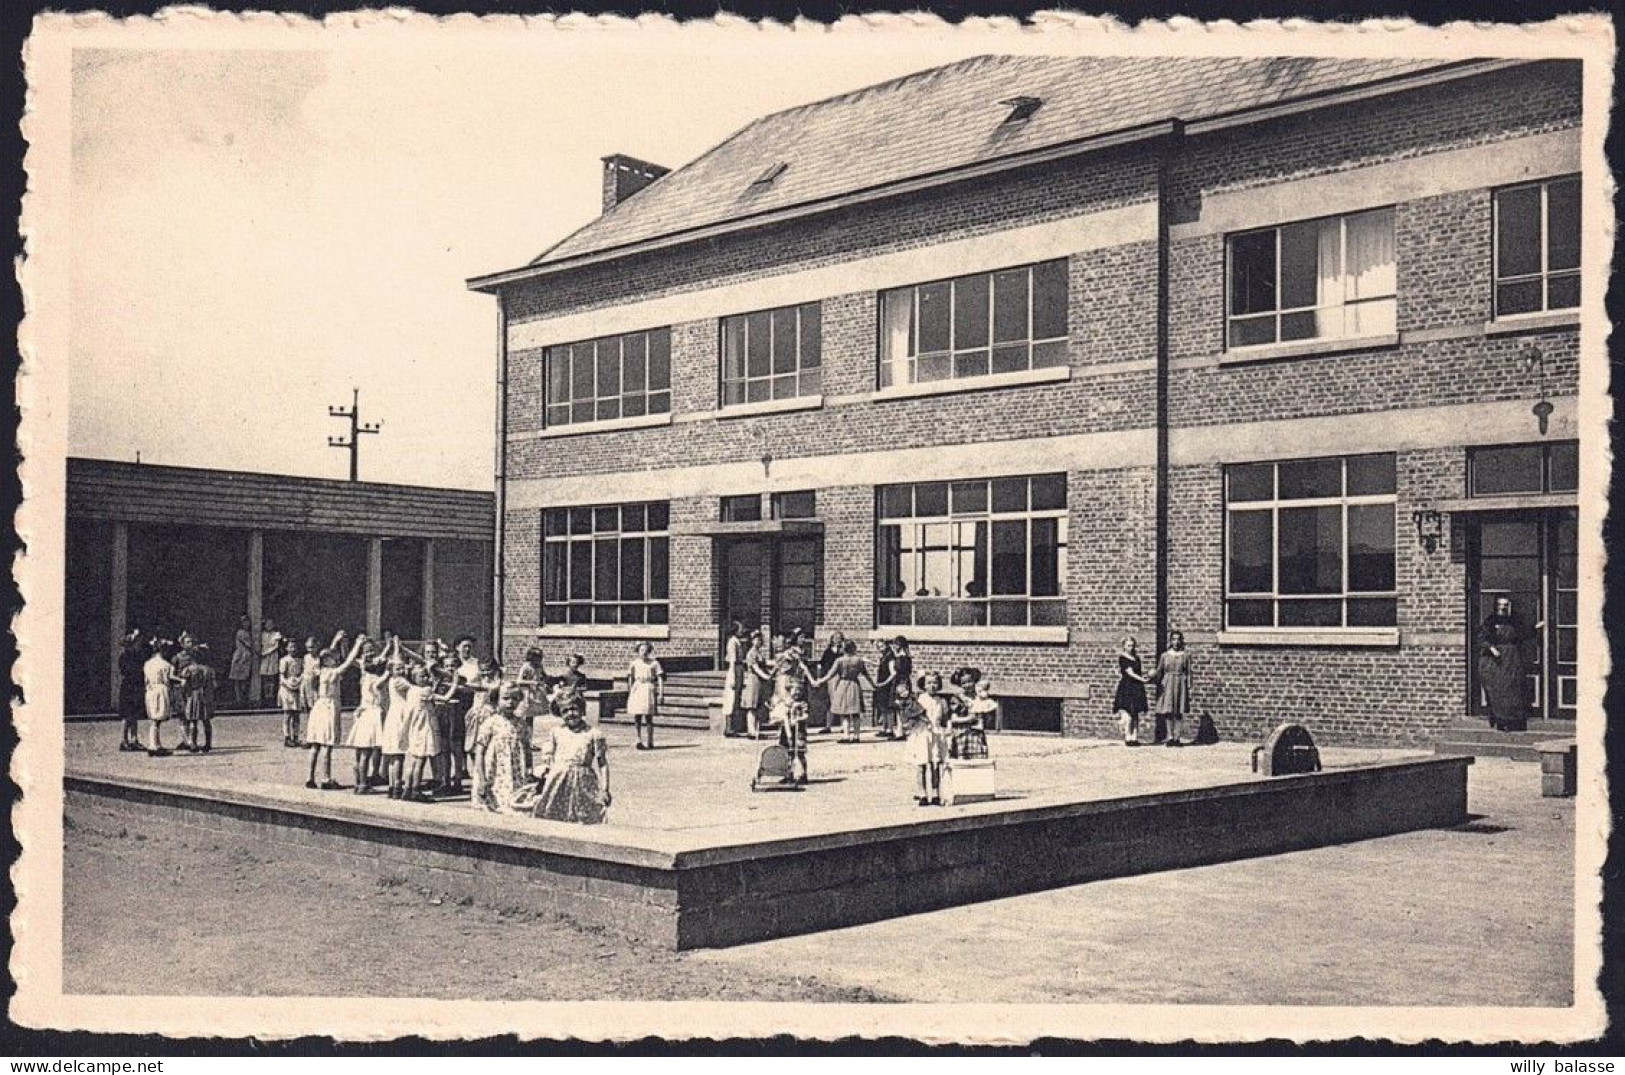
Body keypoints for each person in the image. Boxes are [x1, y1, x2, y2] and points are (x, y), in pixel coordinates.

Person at [532, 689, 611, 824]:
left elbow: (602, 763)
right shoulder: (556, 732)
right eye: (565, 711)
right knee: (555, 815)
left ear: (582, 709)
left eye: (574, 709)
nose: (570, 714)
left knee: (585, 817)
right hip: (559, 779)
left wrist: (605, 789)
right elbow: (549, 756)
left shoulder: (594, 734)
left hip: (584, 781)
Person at [304, 632, 366, 790]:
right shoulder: (332, 672)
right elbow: (348, 662)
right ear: (327, 661)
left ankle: (310, 777)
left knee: (315, 745)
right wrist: (357, 644)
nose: (336, 659)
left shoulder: (320, 671)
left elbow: (328, 655)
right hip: (329, 707)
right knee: (327, 745)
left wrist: (336, 641)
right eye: (333, 658)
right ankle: (326, 778)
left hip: (318, 707)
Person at [1480, 596, 1539, 732]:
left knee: (1513, 689)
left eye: (1505, 605)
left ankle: (1513, 721)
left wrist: (1536, 627)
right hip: (1496, 661)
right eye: (1500, 605)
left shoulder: (1514, 622)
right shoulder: (1490, 622)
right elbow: (1482, 639)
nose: (1503, 607)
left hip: (1512, 659)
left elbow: (1523, 634)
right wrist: (1492, 648)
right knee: (1499, 690)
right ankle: (1501, 721)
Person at [473, 684, 534, 814]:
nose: (510, 702)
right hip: (494, 776)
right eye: (505, 698)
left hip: (515, 775)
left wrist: (529, 771)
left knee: (514, 808)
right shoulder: (490, 723)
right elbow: (479, 752)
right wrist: (482, 779)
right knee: (493, 810)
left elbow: (527, 749)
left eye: (515, 699)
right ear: (496, 700)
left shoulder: (522, 724)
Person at [810, 640, 877, 744]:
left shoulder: (839, 660)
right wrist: (873, 685)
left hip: (843, 685)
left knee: (845, 713)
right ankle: (856, 736)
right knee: (855, 713)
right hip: (855, 685)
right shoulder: (859, 660)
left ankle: (846, 736)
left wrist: (819, 681)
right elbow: (866, 674)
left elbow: (830, 674)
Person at [344, 643, 389, 793]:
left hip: (364, 714)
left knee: (359, 753)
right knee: (366, 753)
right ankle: (363, 784)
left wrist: (389, 646)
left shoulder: (364, 679)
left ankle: (359, 783)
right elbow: (387, 673)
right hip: (372, 715)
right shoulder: (376, 681)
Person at [907, 672, 950, 806]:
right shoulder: (919, 699)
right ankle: (922, 794)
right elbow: (912, 714)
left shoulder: (941, 701)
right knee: (921, 765)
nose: (932, 686)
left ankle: (936, 793)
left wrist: (948, 729)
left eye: (935, 683)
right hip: (922, 734)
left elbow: (945, 718)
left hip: (936, 734)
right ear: (924, 685)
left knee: (935, 764)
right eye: (929, 683)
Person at [1153, 630, 1194, 747]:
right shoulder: (1164, 655)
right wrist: (1150, 677)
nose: (1176, 642)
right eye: (1173, 639)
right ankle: (1170, 737)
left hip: (1181, 682)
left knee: (1179, 711)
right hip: (1168, 683)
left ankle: (1177, 737)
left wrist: (1190, 687)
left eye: (1178, 639)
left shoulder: (1186, 655)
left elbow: (1189, 672)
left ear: (1181, 641)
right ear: (1170, 641)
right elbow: (1159, 670)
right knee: (1169, 711)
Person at [142, 639, 179, 756]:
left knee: (154, 718)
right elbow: (170, 678)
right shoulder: (166, 665)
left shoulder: (147, 663)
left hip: (150, 690)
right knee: (156, 719)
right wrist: (182, 680)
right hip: (160, 690)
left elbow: (146, 679)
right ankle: (153, 745)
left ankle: (156, 744)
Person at [626, 642, 666, 750]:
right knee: (637, 715)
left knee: (649, 716)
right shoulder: (634, 663)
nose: (644, 653)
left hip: (648, 688)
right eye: (641, 650)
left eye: (646, 650)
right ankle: (638, 739)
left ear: (649, 651)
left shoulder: (654, 663)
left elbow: (660, 678)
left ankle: (650, 740)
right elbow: (630, 678)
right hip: (638, 687)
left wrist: (661, 693)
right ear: (638, 652)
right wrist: (630, 691)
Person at [1113, 637, 1151, 746]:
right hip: (1127, 686)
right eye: (1129, 645)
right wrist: (1142, 679)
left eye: (1133, 645)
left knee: (1135, 714)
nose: (1131, 648)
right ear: (1124, 646)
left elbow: (1138, 671)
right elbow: (1130, 673)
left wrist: (1144, 677)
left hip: (1136, 687)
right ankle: (1128, 737)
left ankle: (1135, 737)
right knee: (1128, 713)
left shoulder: (1137, 658)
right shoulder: (1123, 658)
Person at [116, 628, 147, 752]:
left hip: (136, 686)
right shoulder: (124, 657)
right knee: (127, 715)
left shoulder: (136, 655)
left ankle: (134, 739)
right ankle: (124, 740)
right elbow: (128, 671)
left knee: (134, 714)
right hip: (129, 687)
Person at [809, 631, 844, 734]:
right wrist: (820, 677)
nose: (838, 640)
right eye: (836, 638)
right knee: (830, 701)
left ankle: (843, 725)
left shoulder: (843, 652)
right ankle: (828, 725)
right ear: (832, 640)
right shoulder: (828, 652)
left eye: (840, 638)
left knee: (841, 701)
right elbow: (822, 664)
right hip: (830, 678)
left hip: (841, 677)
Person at [740, 631, 768, 740]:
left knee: (758, 706)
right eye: (757, 639)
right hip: (753, 680)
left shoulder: (759, 653)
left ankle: (757, 730)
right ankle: (751, 730)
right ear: (752, 641)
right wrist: (766, 676)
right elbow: (756, 668)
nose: (759, 641)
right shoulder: (751, 653)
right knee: (751, 706)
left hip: (759, 682)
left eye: (760, 639)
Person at [721, 622, 746, 736]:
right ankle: (729, 727)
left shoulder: (737, 641)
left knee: (736, 700)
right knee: (731, 699)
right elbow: (732, 661)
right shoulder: (732, 642)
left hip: (739, 669)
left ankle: (734, 727)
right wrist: (733, 678)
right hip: (734, 670)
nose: (742, 631)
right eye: (740, 629)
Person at [277, 639, 303, 747]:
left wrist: (298, 681)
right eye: (291, 647)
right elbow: (282, 676)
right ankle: (287, 737)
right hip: (287, 689)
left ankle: (296, 737)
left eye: (295, 647)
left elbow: (303, 673)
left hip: (296, 689)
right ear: (287, 648)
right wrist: (289, 684)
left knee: (296, 715)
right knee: (287, 714)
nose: (293, 649)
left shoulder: (299, 661)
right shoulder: (284, 660)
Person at [227, 615, 254, 705]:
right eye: (244, 622)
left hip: (246, 657)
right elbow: (249, 644)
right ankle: (239, 698)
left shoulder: (248, 632)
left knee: (244, 678)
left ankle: (242, 697)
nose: (246, 624)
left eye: (247, 622)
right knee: (237, 679)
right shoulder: (241, 633)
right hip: (240, 656)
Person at [257, 618, 283, 706]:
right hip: (264, 657)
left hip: (272, 656)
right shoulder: (262, 634)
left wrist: (266, 652)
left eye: (271, 624)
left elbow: (276, 646)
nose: (269, 625)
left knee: (271, 677)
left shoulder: (276, 634)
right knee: (265, 677)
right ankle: (265, 696)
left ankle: (271, 697)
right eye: (267, 624)